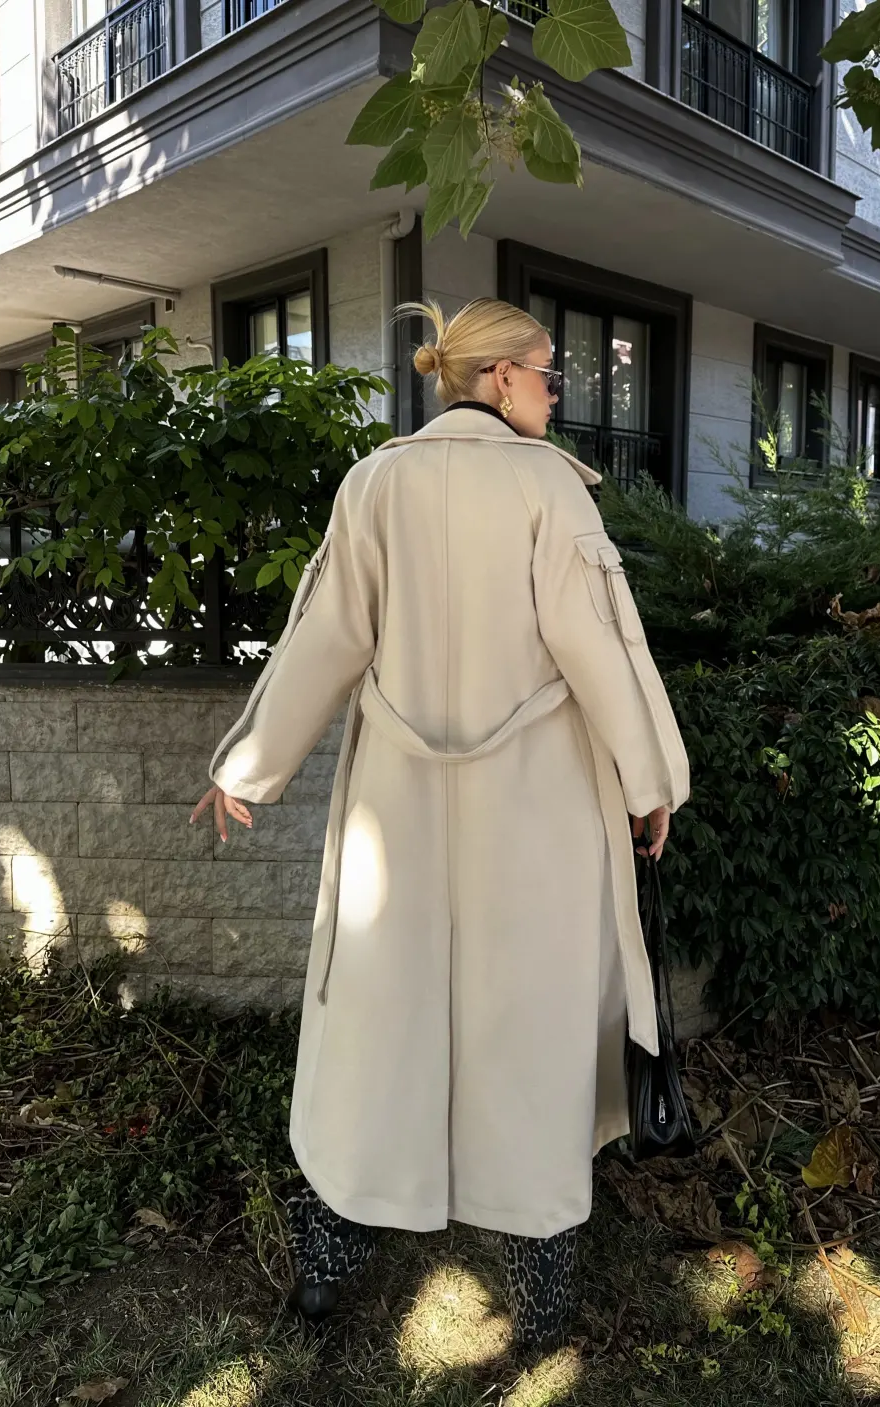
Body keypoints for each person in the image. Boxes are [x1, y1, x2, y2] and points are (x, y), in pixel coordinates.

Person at [191, 298, 690, 1353]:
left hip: (399, 806)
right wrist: (649, 781)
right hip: (539, 809)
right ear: (501, 377)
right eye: (549, 373)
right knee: (535, 1027)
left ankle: (328, 1266)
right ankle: (541, 1296)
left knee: (380, 1022)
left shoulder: (376, 484)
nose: (558, 394)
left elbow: (326, 635)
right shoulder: (550, 490)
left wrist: (250, 766)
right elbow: (599, 647)